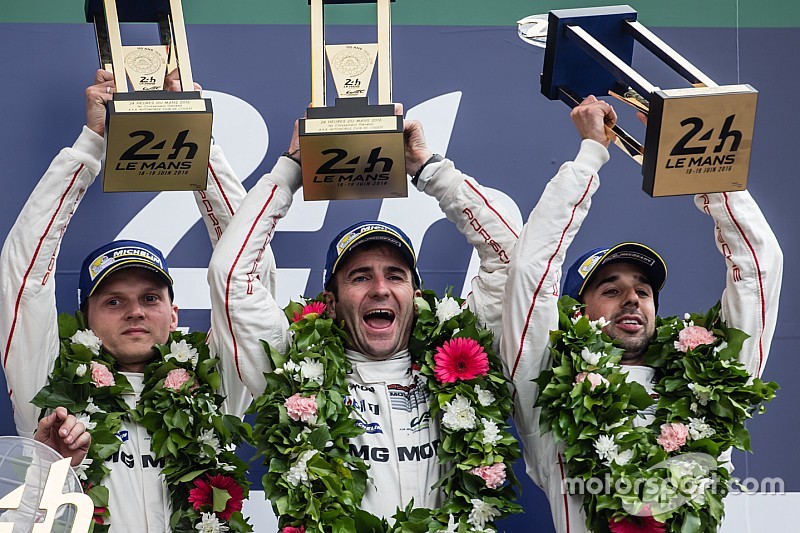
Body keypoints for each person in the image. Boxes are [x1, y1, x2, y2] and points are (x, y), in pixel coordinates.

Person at [206, 117, 521, 518]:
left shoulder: (463, 359)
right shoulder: (290, 367)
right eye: (359, 277)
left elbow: (513, 260)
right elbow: (232, 276)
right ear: (331, 303)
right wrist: (288, 170)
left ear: (417, 297)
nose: (380, 289)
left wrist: (431, 171)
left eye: (395, 275)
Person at [501, 96, 783, 532]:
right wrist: (591, 154)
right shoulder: (545, 389)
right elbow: (530, 271)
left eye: (644, 291)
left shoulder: (714, 386)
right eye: (610, 290)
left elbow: (758, 268)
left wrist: (702, 165)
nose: (632, 299)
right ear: (576, 314)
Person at [0, 69, 255, 531]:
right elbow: (23, 278)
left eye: (151, 297)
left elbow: (246, 275)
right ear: (86, 320)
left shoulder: (217, 387)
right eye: (113, 301)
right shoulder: (50, 393)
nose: (136, 310)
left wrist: (196, 143)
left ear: (175, 314)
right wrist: (90, 145)